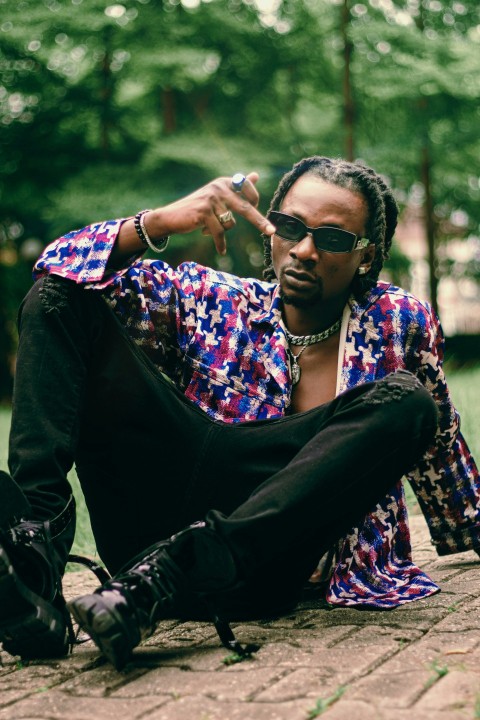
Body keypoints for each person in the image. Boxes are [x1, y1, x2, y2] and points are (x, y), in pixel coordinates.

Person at [0, 157, 478, 671]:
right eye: (290, 227)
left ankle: (180, 571)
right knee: (58, 296)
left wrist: (466, 527)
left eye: (334, 239)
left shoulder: (396, 321)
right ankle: (36, 564)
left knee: (407, 400)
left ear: (366, 257)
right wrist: (157, 222)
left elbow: (440, 450)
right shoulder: (213, 300)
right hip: (149, 526)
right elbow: (58, 270)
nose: (304, 250)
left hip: (256, 563)